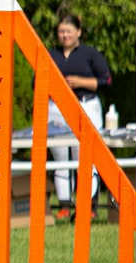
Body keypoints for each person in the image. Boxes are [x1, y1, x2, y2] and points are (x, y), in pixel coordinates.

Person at [47, 14, 112, 220]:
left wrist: (80, 82)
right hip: (56, 109)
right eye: (61, 31)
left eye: (68, 31)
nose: (65, 35)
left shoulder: (90, 53)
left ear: (78, 32)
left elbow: (106, 81)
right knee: (60, 157)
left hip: (86, 105)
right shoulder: (51, 54)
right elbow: (36, 82)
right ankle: (64, 204)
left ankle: (88, 205)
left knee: (85, 157)